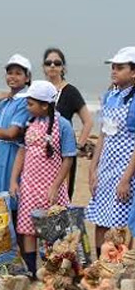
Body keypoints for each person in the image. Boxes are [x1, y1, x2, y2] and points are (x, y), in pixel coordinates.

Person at [10, 80, 76, 277]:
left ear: (45, 105)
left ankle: (54, 268)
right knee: (28, 229)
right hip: (29, 185)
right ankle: (31, 269)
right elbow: (22, 152)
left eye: (31, 104)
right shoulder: (29, 123)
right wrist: (14, 180)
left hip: (51, 186)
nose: (27, 107)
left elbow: (68, 158)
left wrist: (56, 186)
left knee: (54, 230)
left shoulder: (63, 125)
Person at [87, 47, 135, 252]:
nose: (114, 71)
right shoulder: (109, 96)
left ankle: (120, 264)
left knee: (121, 222)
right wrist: (93, 168)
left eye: (120, 67)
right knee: (101, 218)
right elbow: (103, 135)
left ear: (133, 72)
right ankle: (101, 262)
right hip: (106, 168)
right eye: (113, 67)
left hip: (126, 169)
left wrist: (126, 179)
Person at [42, 47, 94, 198]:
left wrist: (78, 147)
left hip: (63, 154)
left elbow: (88, 122)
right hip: (42, 152)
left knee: (61, 196)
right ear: (43, 67)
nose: (52, 66)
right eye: (48, 63)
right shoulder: (40, 90)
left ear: (63, 67)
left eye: (57, 63)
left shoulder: (71, 92)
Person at [0, 54, 31, 202]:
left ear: (27, 78)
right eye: (10, 73)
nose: (13, 77)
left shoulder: (25, 101)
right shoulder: (2, 100)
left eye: (18, 73)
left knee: (11, 195)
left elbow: (11, 133)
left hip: (12, 152)